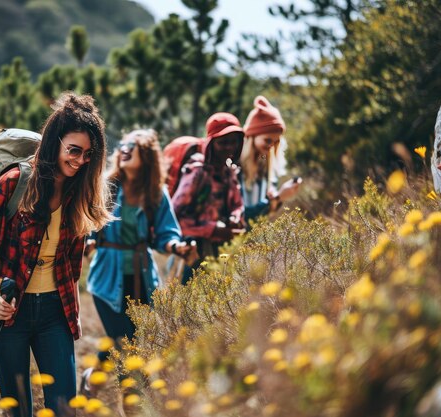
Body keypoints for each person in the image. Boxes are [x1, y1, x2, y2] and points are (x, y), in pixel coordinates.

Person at [0, 92, 113, 416]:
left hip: (55, 312)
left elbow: (72, 269)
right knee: (18, 411)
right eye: (73, 151)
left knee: (64, 409)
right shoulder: (14, 183)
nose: (79, 161)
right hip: (10, 315)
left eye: (88, 154)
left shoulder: (81, 193)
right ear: (54, 144)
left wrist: (70, 309)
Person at [82, 129, 190, 392]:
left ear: (147, 156)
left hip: (142, 281)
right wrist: (88, 241)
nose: (126, 149)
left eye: (134, 146)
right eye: (124, 145)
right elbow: (86, 220)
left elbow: (166, 231)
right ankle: (132, 402)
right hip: (108, 279)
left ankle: (90, 379)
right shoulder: (104, 186)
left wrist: (176, 246)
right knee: (124, 346)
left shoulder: (156, 193)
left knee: (128, 342)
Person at [171, 112, 246, 283]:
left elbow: (237, 204)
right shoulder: (196, 172)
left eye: (233, 142)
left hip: (222, 251)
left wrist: (235, 217)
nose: (229, 148)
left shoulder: (229, 171)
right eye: (223, 143)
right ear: (211, 143)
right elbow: (175, 217)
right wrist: (212, 230)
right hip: (193, 251)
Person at [240, 95, 301, 223]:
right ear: (252, 136)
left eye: (276, 141)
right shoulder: (235, 167)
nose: (271, 146)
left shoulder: (267, 168)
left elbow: (266, 214)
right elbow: (242, 215)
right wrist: (278, 197)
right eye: (267, 140)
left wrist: (279, 198)